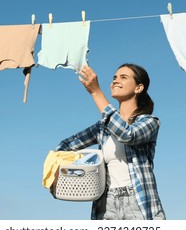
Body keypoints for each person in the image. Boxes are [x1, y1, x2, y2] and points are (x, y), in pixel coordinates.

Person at [55, 63, 166, 220]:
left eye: (123, 77)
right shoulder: (102, 128)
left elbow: (127, 135)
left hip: (138, 201)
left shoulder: (150, 122)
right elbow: (65, 146)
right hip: (106, 203)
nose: (115, 80)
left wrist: (96, 92)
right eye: (114, 77)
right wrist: (68, 165)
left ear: (138, 88)